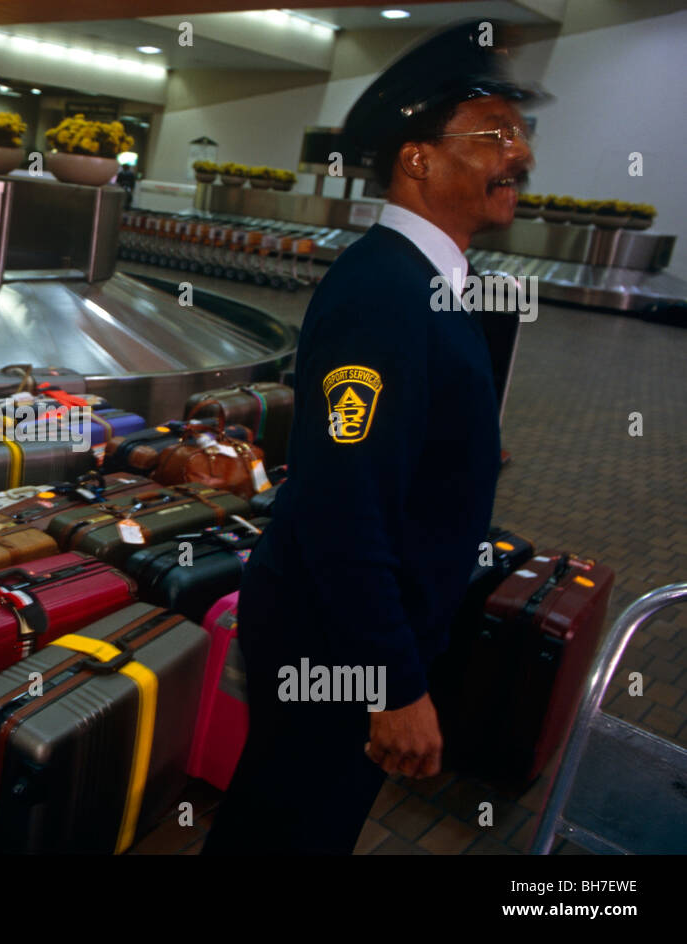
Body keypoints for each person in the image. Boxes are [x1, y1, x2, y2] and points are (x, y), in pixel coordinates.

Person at [204, 19, 546, 855]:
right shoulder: (385, 293)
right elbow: (341, 504)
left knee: (284, 822)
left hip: (349, 632)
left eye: (522, 132)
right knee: (289, 830)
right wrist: (391, 686)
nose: (523, 156)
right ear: (418, 157)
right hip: (336, 644)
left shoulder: (428, 282)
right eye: (496, 134)